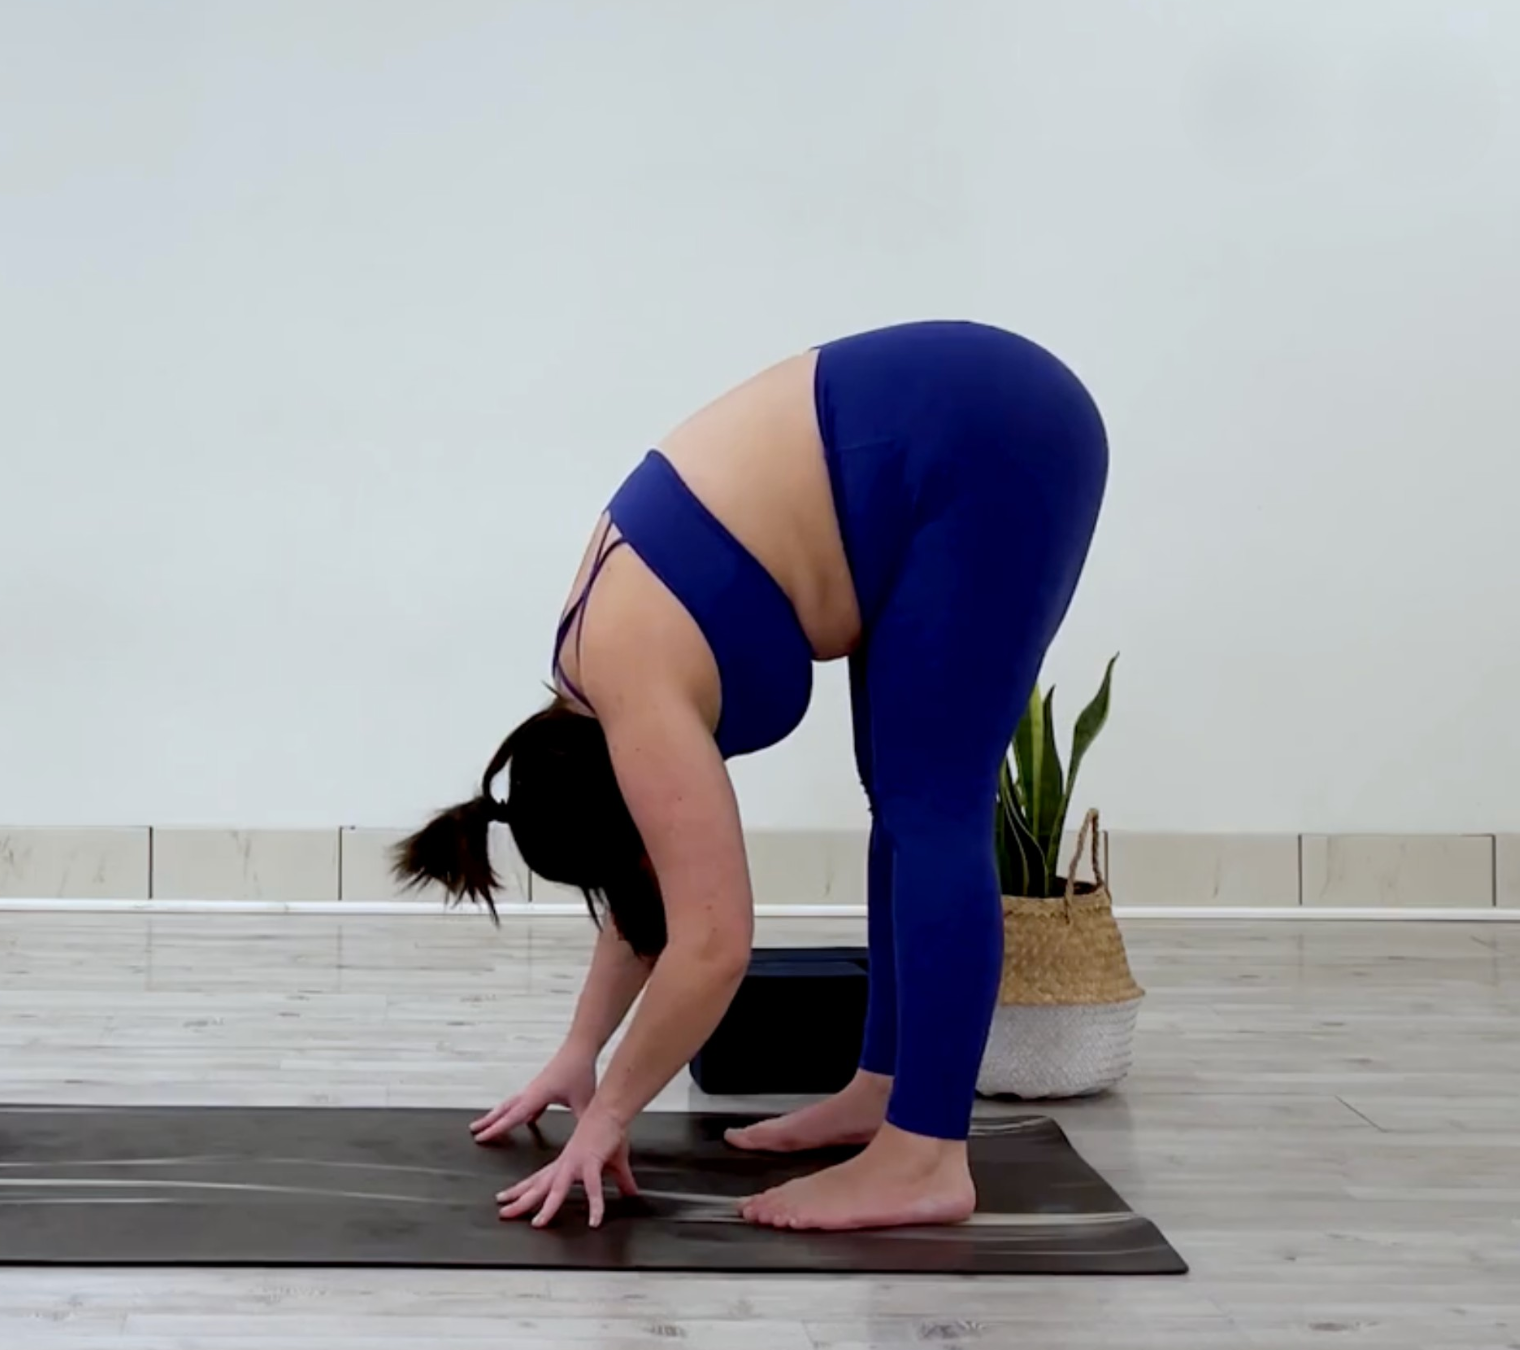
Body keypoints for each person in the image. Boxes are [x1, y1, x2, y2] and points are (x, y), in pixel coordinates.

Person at [393, 319, 1108, 1233]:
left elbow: (715, 942)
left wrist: (612, 1114)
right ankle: (888, 1091)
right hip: (947, 428)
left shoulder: (635, 684)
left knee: (934, 801)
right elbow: (650, 878)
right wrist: (582, 1051)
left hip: (987, 439)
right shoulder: (593, 678)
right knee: (907, 794)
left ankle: (924, 1157)